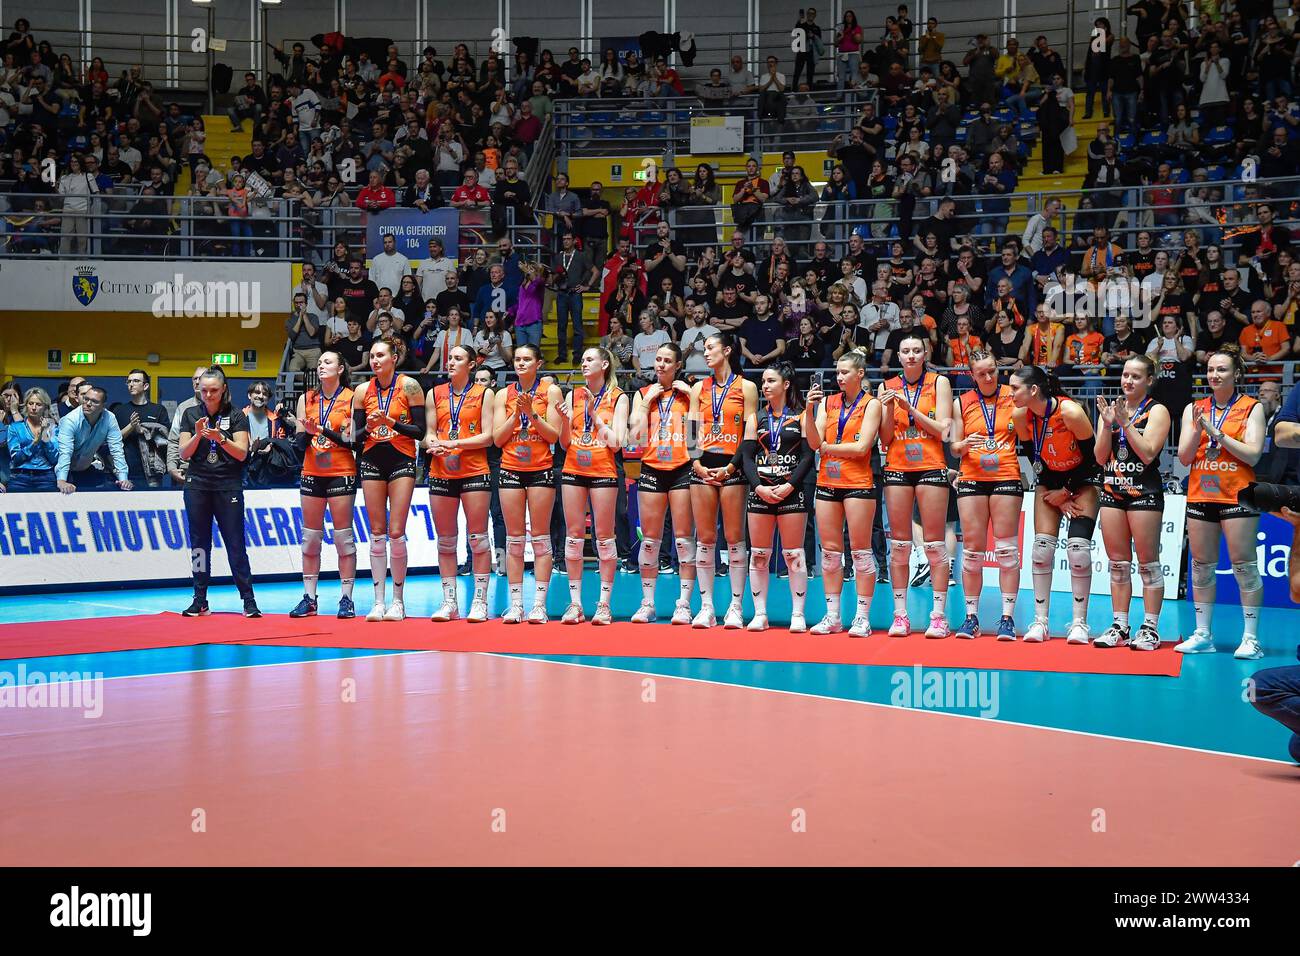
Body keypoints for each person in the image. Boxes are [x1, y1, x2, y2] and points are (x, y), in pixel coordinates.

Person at [1176, 351, 1266, 659]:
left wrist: (1218, 434)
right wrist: (1200, 430)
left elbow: (1253, 455)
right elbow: (1185, 458)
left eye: (1222, 369)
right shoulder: (1195, 408)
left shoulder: (1252, 408)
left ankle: (1251, 639)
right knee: (1201, 567)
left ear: (1236, 373)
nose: (1215, 374)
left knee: (1245, 567)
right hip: (1201, 493)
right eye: (1211, 369)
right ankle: (1203, 634)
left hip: (1238, 494)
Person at [1011, 365, 1100, 644]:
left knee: (1078, 553)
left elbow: (1093, 459)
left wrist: (1068, 491)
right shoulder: (1021, 416)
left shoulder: (1070, 412)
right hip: (1050, 484)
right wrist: (1055, 494)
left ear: (1033, 390)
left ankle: (1079, 624)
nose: (1010, 393)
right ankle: (1040, 621)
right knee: (1041, 551)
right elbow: (1034, 460)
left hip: (1082, 479)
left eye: (1015, 388)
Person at [1093, 356, 1172, 650]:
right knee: (1118, 564)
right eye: (1125, 375)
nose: (1128, 381)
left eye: (1136, 376)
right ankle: (1120, 625)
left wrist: (1126, 424)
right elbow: (1100, 458)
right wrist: (1106, 425)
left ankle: (1150, 628)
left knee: (1148, 565)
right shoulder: (1112, 411)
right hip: (1112, 491)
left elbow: (1148, 452)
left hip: (1144, 492)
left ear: (1149, 380)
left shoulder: (1158, 411)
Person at [879, 334, 954, 637]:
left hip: (931, 465)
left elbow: (943, 431)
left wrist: (909, 409)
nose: (911, 356)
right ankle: (900, 615)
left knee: (935, 545)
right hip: (897, 466)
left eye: (916, 351)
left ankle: (938, 616)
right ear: (898, 356)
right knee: (899, 547)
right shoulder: (887, 386)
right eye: (906, 351)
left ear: (925, 354)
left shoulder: (939, 383)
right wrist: (887, 409)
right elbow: (885, 439)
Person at [806, 351, 882, 635]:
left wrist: (829, 448)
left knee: (860, 553)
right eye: (837, 372)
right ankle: (833, 616)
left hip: (858, 484)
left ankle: (862, 617)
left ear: (860, 374)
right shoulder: (827, 402)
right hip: (827, 482)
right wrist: (809, 411)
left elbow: (863, 448)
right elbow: (814, 442)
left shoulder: (872, 404)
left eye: (845, 372)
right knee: (829, 554)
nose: (839, 377)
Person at [950, 350, 1024, 640]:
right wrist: (964, 444)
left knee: (1006, 551)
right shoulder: (962, 402)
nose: (989, 377)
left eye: (992, 370)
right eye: (982, 373)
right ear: (972, 375)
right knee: (971, 551)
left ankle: (1007, 618)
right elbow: (955, 447)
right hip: (972, 478)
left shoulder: (1013, 395)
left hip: (1005, 474)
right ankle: (971, 617)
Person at [352, 335, 426, 622]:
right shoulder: (362, 391)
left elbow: (420, 431)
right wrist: (368, 428)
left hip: (401, 459)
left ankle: (398, 601)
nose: (375, 360)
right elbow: (354, 438)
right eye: (372, 356)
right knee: (377, 533)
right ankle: (378, 601)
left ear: (394, 358)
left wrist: (391, 422)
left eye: (381, 355)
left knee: (396, 532)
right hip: (371, 459)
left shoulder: (410, 385)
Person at [688, 333, 760, 629]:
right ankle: (706, 608)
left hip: (734, 466)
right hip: (703, 466)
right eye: (704, 349)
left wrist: (732, 467)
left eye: (710, 348)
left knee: (734, 538)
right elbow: (691, 429)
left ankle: (735, 606)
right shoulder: (698, 389)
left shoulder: (748, 387)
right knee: (704, 538)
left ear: (727, 351)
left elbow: (750, 431)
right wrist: (696, 464)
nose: (705, 353)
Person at [738, 362, 815, 632]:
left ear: (785, 384)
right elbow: (746, 457)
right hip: (761, 492)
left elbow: (808, 456)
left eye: (771, 380)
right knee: (759, 555)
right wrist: (758, 486)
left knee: (794, 554)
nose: (765, 385)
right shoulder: (754, 419)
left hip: (790, 492)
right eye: (763, 381)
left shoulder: (802, 417)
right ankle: (760, 614)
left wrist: (790, 485)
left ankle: (797, 614)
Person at [176, 367, 259, 618]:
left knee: (236, 544)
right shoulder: (190, 414)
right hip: (197, 485)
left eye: (213, 390)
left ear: (223, 389)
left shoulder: (236, 416)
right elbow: (183, 453)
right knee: (199, 546)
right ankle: (199, 599)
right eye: (204, 390)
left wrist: (220, 438)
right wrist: (198, 436)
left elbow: (242, 453)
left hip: (228, 485)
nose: (208, 395)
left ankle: (248, 600)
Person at [424, 344, 496, 623]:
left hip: (474, 471)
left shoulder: (484, 394)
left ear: (471, 365)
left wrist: (453, 443)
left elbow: (488, 437)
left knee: (477, 538)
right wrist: (432, 443)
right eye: (450, 358)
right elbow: (429, 433)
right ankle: (449, 601)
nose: (451, 362)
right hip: (441, 471)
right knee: (445, 540)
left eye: (458, 358)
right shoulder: (434, 393)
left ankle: (479, 601)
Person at [557, 347, 629, 625]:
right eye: (582, 359)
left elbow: (617, 442)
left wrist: (593, 414)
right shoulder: (571, 394)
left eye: (589, 359)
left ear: (604, 364)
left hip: (603, 470)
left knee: (604, 537)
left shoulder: (618, 397)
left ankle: (604, 604)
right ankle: (575, 605)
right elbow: (565, 443)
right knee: (573, 537)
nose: (584, 363)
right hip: (573, 468)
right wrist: (565, 421)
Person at [628, 344, 696, 625]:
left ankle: (683, 604)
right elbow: (633, 438)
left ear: (678, 365)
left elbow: (695, 441)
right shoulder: (643, 393)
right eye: (658, 360)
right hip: (652, 468)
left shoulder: (689, 394)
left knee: (683, 540)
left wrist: (692, 397)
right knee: (650, 540)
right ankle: (647, 603)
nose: (661, 365)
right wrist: (646, 404)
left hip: (681, 468)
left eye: (667, 361)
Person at [494, 344, 563, 623]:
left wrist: (532, 413)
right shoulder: (503, 394)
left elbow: (554, 437)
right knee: (513, 540)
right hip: (510, 467)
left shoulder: (551, 391)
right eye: (518, 360)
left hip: (540, 469)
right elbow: (498, 439)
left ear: (538, 363)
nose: (521, 364)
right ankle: (516, 605)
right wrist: (515, 414)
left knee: (541, 538)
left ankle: (539, 605)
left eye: (527, 360)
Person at [290, 351, 358, 619]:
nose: (321, 366)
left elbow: (352, 439)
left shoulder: (351, 399)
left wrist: (322, 431)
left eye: (327, 362)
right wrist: (306, 433)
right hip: (312, 471)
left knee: (344, 538)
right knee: (310, 538)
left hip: (341, 471)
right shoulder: (305, 399)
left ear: (341, 368)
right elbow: (298, 443)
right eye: (319, 363)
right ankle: (309, 598)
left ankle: (346, 598)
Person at [55, 386, 132, 493]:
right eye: (86, 399)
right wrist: (62, 480)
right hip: (62, 470)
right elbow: (65, 452)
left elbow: (117, 450)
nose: (88, 404)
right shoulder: (70, 420)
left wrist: (123, 479)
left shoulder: (110, 418)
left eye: (94, 401)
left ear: (103, 406)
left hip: (85, 468)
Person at [112, 369, 170, 488]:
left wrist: (145, 431)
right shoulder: (120, 410)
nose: (131, 384)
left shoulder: (158, 410)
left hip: (153, 471)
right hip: (126, 471)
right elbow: (114, 439)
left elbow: (165, 439)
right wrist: (132, 427)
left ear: (145, 386)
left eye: (136, 381)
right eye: (129, 381)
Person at [4, 387, 58, 492]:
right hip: (20, 477)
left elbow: (54, 459)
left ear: (45, 407)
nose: (33, 407)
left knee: (48, 508)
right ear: (26, 405)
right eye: (30, 403)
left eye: (38, 404)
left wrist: (44, 438)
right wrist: (34, 443)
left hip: (46, 477)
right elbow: (16, 459)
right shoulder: (15, 427)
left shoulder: (52, 427)